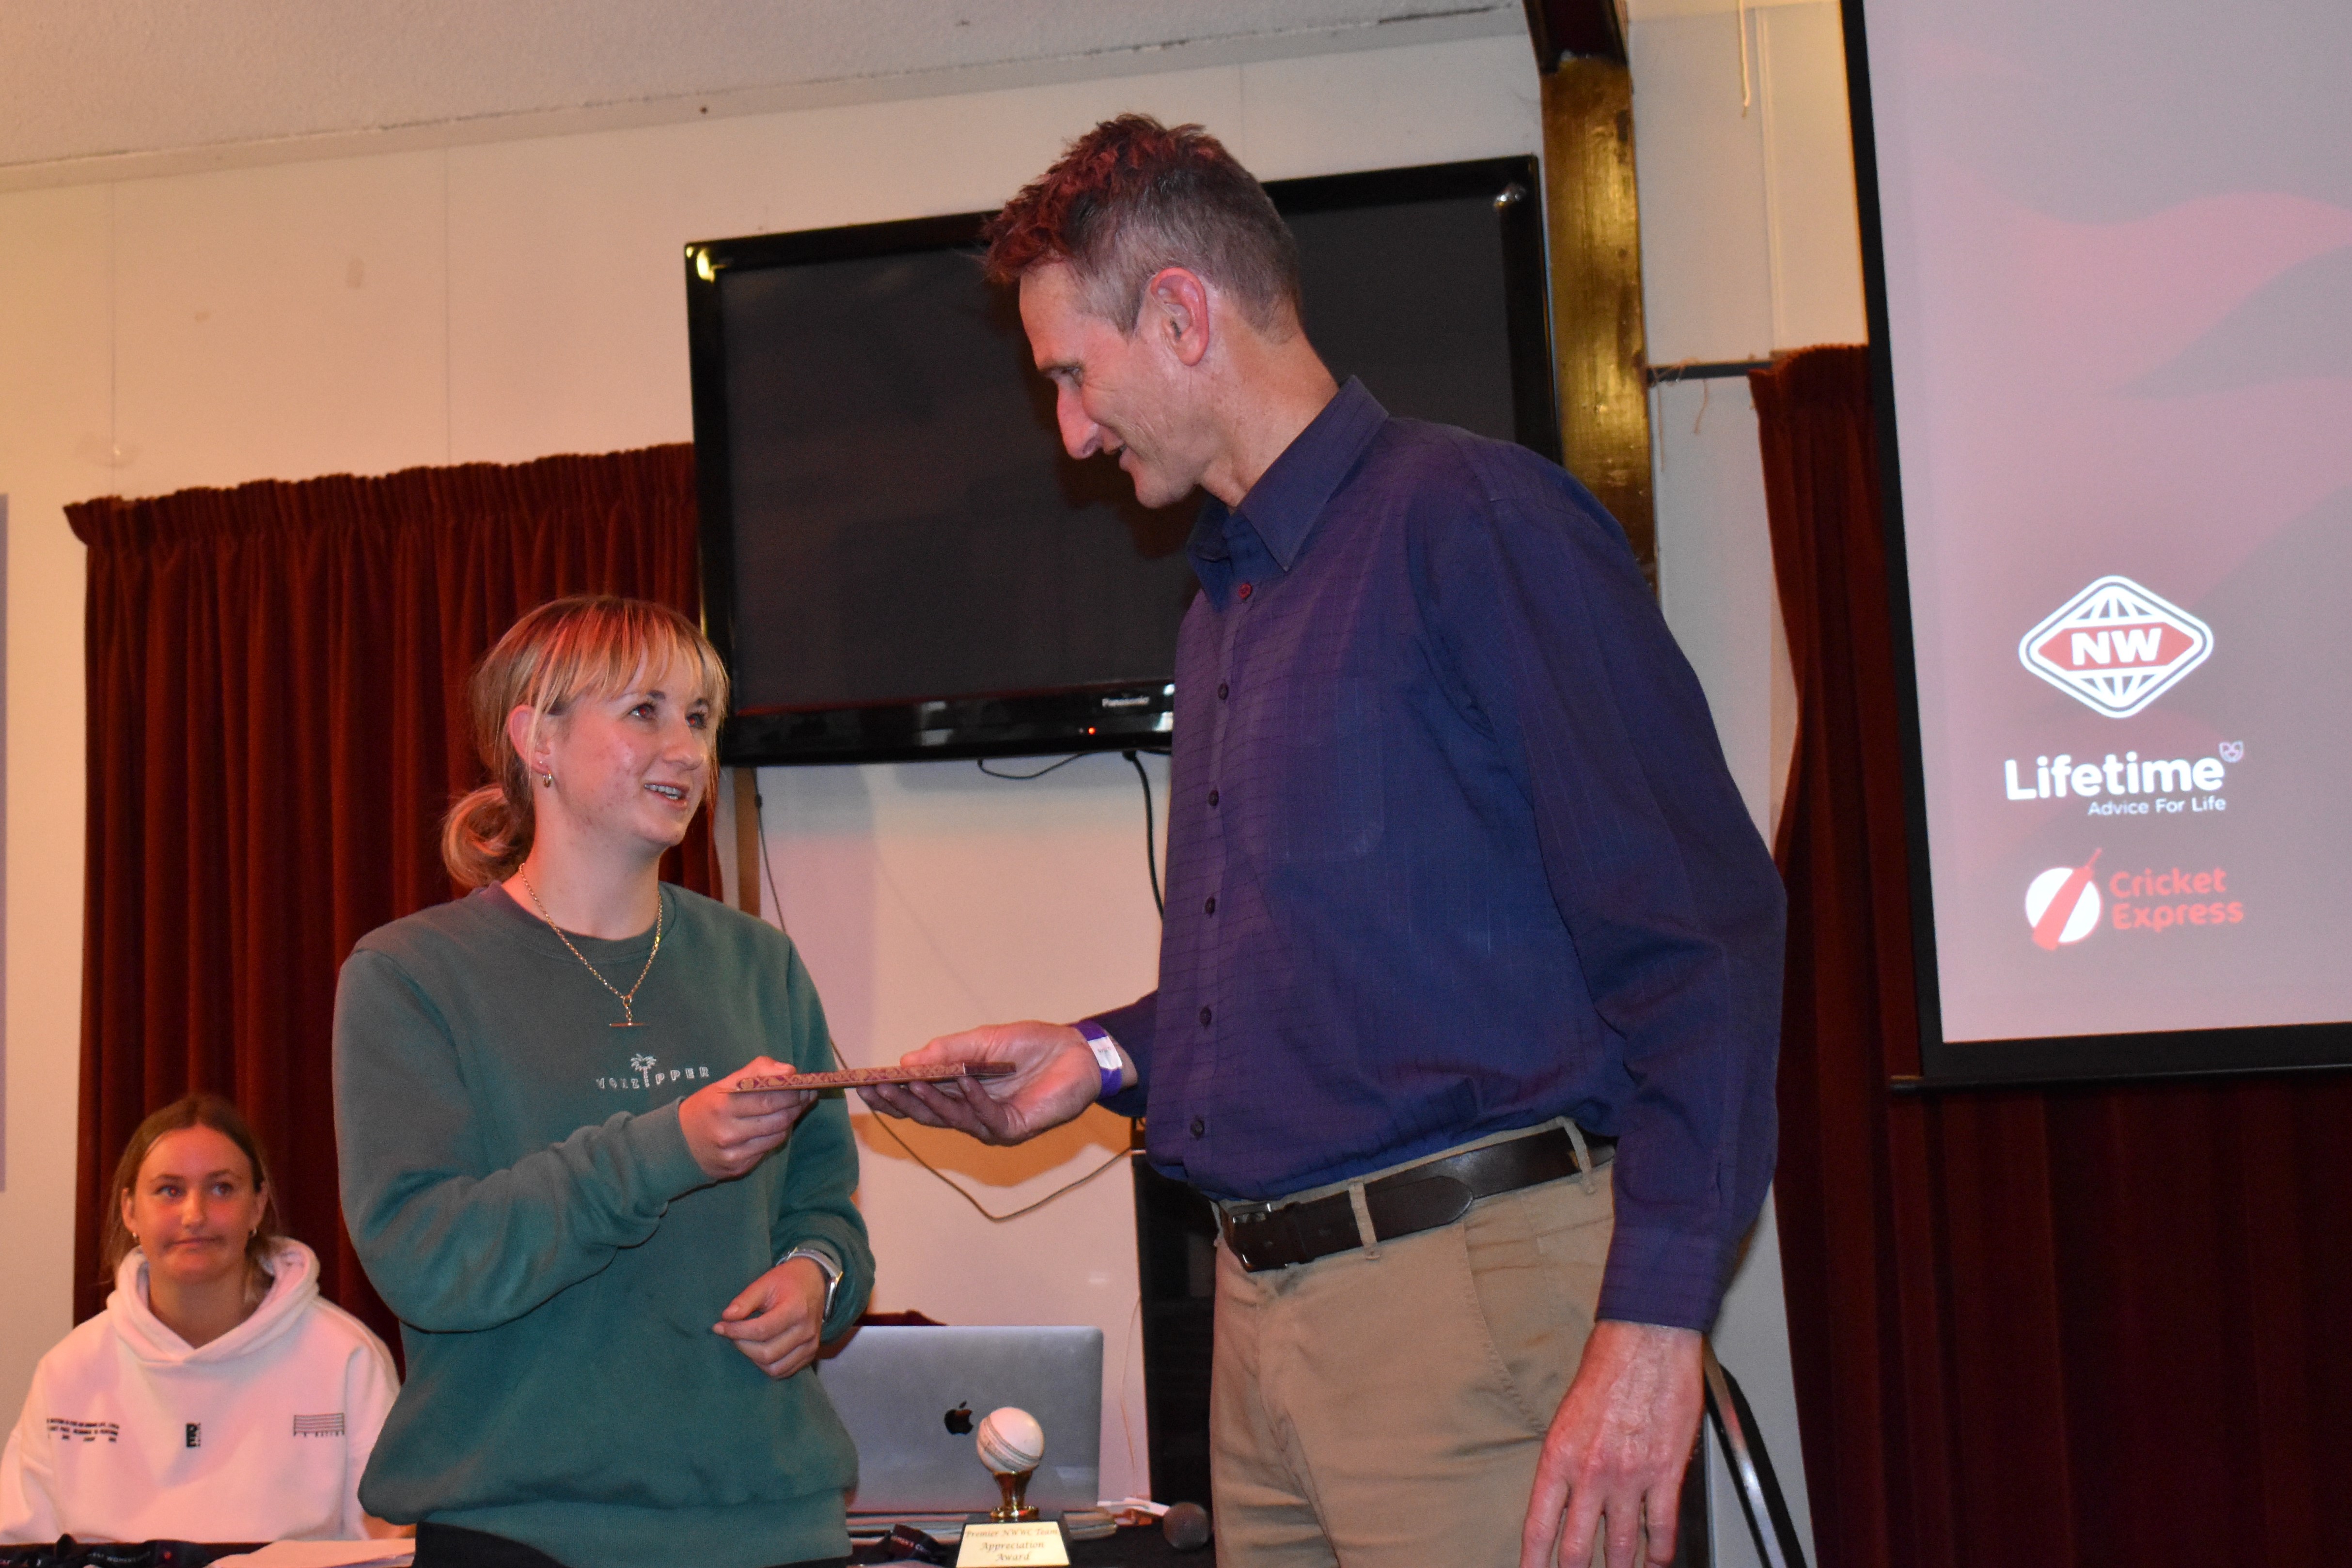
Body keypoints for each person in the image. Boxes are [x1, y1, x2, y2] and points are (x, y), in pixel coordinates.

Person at [861, 118, 1786, 1568]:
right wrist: (1096, 1058)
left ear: (1180, 316)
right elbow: (1318, 977)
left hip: (1469, 1313)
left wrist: (1656, 1326)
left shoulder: (1475, 522)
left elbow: (1700, 936)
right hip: (1258, 1330)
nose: (1072, 433)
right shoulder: (1223, 609)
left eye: (1070, 375)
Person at [332, 596, 872, 1568]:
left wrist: (816, 1275)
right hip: (525, 1530)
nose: (686, 750)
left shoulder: (760, 963)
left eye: (699, 718)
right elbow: (428, 1258)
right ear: (536, 739)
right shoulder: (410, 974)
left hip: (778, 1522)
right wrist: (668, 1149)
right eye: (643, 713)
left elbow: (825, 1207)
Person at [0, 1094, 401, 1544]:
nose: (195, 1215)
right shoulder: (68, 1371)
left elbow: (391, 1543)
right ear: (130, 1210)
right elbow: (17, 1543)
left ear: (258, 1205)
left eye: (222, 1189)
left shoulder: (347, 1358)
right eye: (170, 1191)